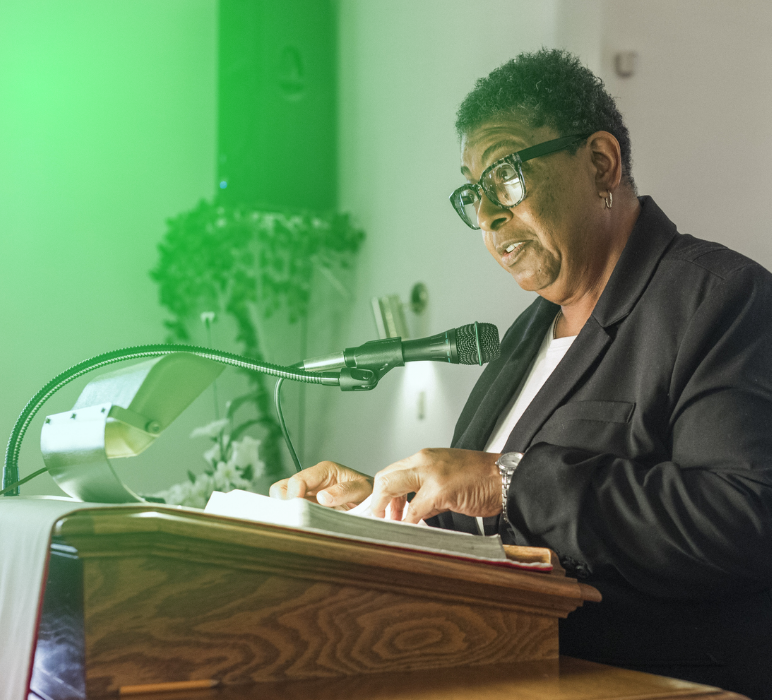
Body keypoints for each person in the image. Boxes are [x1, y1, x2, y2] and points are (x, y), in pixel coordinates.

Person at [271, 49, 772, 698]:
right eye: (473, 194)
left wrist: (508, 477)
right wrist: (382, 509)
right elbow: (491, 531)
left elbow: (745, 519)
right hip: (496, 670)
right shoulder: (522, 341)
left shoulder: (718, 298)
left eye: (506, 178)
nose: (487, 216)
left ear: (600, 164)